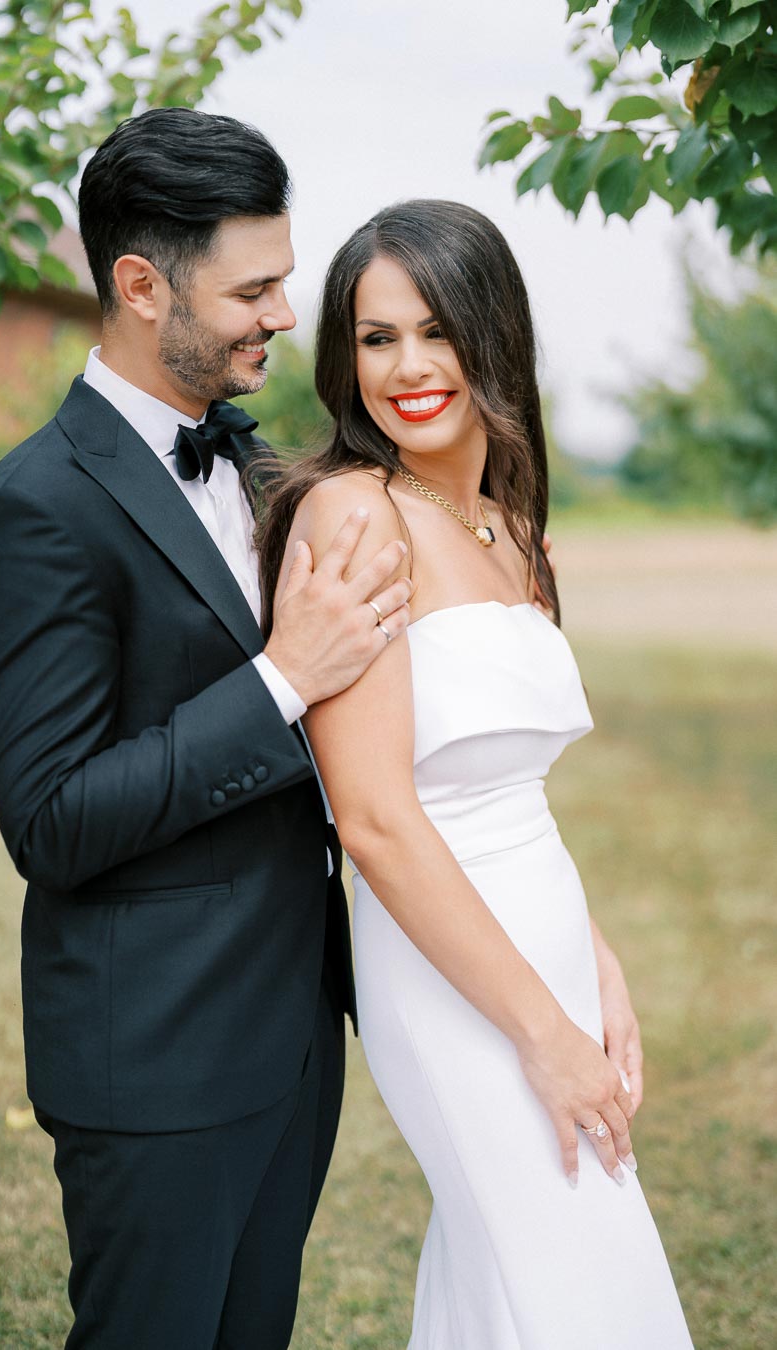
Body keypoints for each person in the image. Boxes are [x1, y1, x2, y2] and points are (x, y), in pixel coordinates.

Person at [0, 108, 414, 1349]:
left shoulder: (261, 471)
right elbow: (53, 822)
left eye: (285, 280)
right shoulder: (35, 508)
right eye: (252, 289)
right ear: (141, 287)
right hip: (154, 1061)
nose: (279, 314)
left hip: (291, 1037)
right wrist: (280, 681)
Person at [257, 199, 695, 1348]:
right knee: (581, 1287)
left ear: (493, 332)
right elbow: (376, 819)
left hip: (539, 943)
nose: (408, 367)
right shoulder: (356, 516)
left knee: (506, 1289)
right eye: (376, 337)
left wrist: (592, 970)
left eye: (437, 329)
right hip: (450, 979)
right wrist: (541, 1033)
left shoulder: (513, 529)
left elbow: (516, 797)